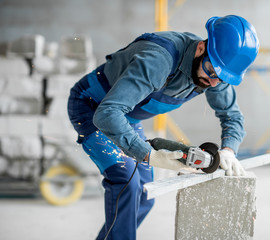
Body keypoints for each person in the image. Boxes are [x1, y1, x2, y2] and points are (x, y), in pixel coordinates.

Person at [67, 15, 259, 240]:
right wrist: (148, 155)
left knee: (144, 196)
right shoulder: (159, 59)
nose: (213, 82)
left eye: (222, 78)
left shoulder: (216, 73)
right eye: (212, 71)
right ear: (200, 48)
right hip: (91, 106)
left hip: (124, 115)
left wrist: (228, 150)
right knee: (125, 181)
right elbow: (108, 113)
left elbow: (232, 116)